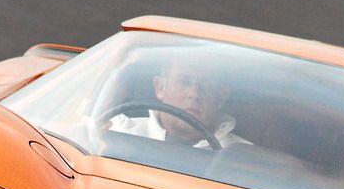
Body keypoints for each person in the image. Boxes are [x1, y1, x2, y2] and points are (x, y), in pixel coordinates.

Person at [106, 55, 252, 148]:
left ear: (221, 96)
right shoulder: (115, 134)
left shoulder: (241, 159)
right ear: (160, 87)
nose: (194, 94)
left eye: (206, 85)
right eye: (184, 82)